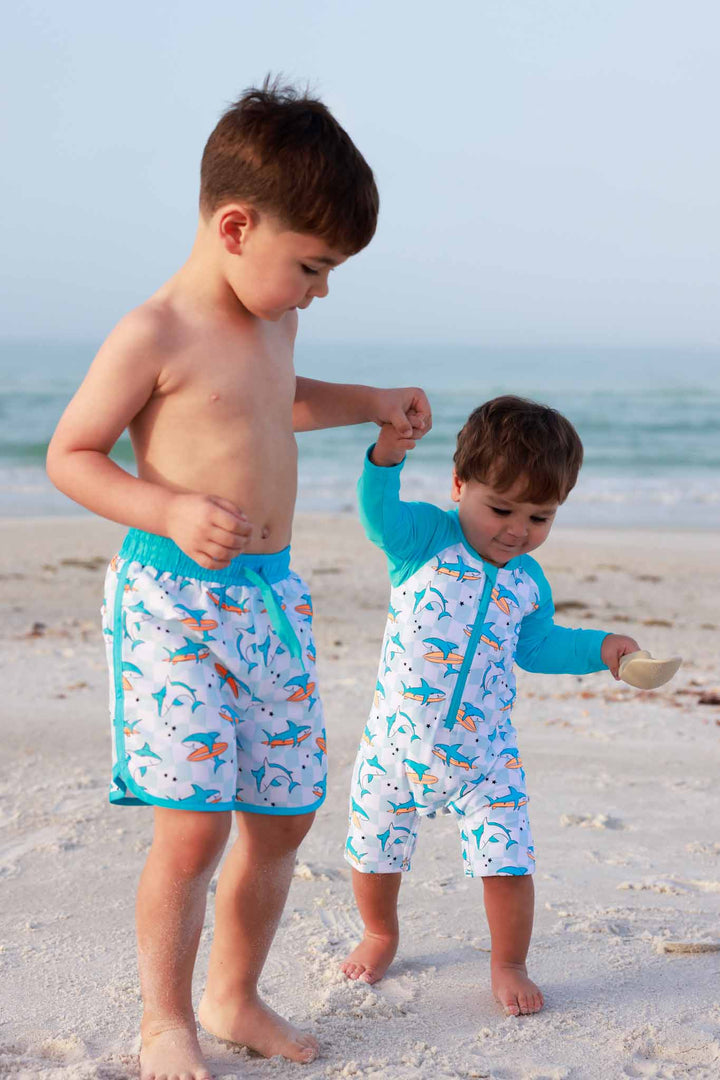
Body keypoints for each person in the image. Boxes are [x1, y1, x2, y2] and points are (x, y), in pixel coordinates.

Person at [46, 79, 430, 1079]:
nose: (320, 289)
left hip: (269, 598)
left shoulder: (273, 323)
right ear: (234, 226)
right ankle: (165, 1018)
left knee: (285, 812)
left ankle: (234, 992)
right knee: (194, 825)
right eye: (311, 265)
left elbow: (278, 403)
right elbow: (73, 455)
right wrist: (167, 507)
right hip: (172, 605)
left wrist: (372, 402)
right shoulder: (153, 334)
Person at [340, 395, 640, 1016]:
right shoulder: (424, 538)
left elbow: (539, 646)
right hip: (394, 745)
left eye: (540, 517)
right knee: (373, 852)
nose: (517, 530)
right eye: (500, 508)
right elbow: (377, 517)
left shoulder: (530, 582)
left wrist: (602, 648)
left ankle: (508, 961)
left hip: (485, 755)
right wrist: (386, 457)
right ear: (459, 485)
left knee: (507, 861)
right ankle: (381, 932)